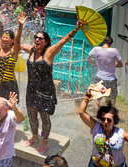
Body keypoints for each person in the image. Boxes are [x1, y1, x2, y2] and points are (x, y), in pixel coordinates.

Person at [21, 20, 83, 153]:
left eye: (40, 38)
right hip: (31, 90)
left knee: (44, 116)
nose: (37, 40)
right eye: (35, 37)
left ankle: (45, 140)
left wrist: (75, 29)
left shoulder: (49, 53)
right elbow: (18, 45)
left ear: (46, 42)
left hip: (45, 91)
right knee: (31, 114)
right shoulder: (31, 50)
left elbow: (62, 42)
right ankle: (35, 136)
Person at [0, 11, 26, 101]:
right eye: (3, 37)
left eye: (7, 37)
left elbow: (18, 39)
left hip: (9, 85)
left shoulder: (13, 52)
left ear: (12, 40)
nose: (4, 39)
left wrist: (20, 26)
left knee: (9, 108)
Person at [87, 36, 123, 114]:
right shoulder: (114, 51)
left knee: (97, 99)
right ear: (111, 43)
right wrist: (114, 65)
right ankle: (110, 117)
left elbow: (88, 59)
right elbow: (121, 64)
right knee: (112, 99)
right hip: (111, 79)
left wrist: (95, 64)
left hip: (99, 78)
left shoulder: (96, 49)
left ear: (103, 42)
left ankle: (97, 119)